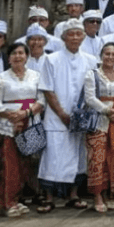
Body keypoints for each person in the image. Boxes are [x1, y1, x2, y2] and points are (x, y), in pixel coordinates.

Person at [36, 19, 98, 212]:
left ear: (83, 37)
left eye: (78, 34)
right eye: (70, 34)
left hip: (80, 118)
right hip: (56, 118)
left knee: (78, 156)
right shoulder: (51, 59)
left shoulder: (90, 59)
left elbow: (92, 88)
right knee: (53, 157)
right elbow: (48, 89)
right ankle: (48, 197)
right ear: (63, 37)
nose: (75, 37)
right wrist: (62, 114)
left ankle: (74, 195)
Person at [0, 42, 46, 217]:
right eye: (14, 53)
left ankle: (19, 198)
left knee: (26, 164)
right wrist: (10, 115)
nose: (18, 56)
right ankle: (8, 202)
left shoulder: (36, 76)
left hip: (30, 121)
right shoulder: (2, 78)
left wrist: (26, 112)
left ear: (27, 56)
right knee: (9, 164)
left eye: (21, 53)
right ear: (9, 57)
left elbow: (42, 100)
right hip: (10, 124)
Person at [84, 43, 114, 213]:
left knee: (113, 158)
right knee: (97, 159)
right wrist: (107, 110)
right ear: (101, 55)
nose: (110, 57)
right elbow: (89, 98)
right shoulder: (93, 74)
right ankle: (97, 195)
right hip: (99, 120)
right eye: (107, 54)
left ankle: (111, 194)